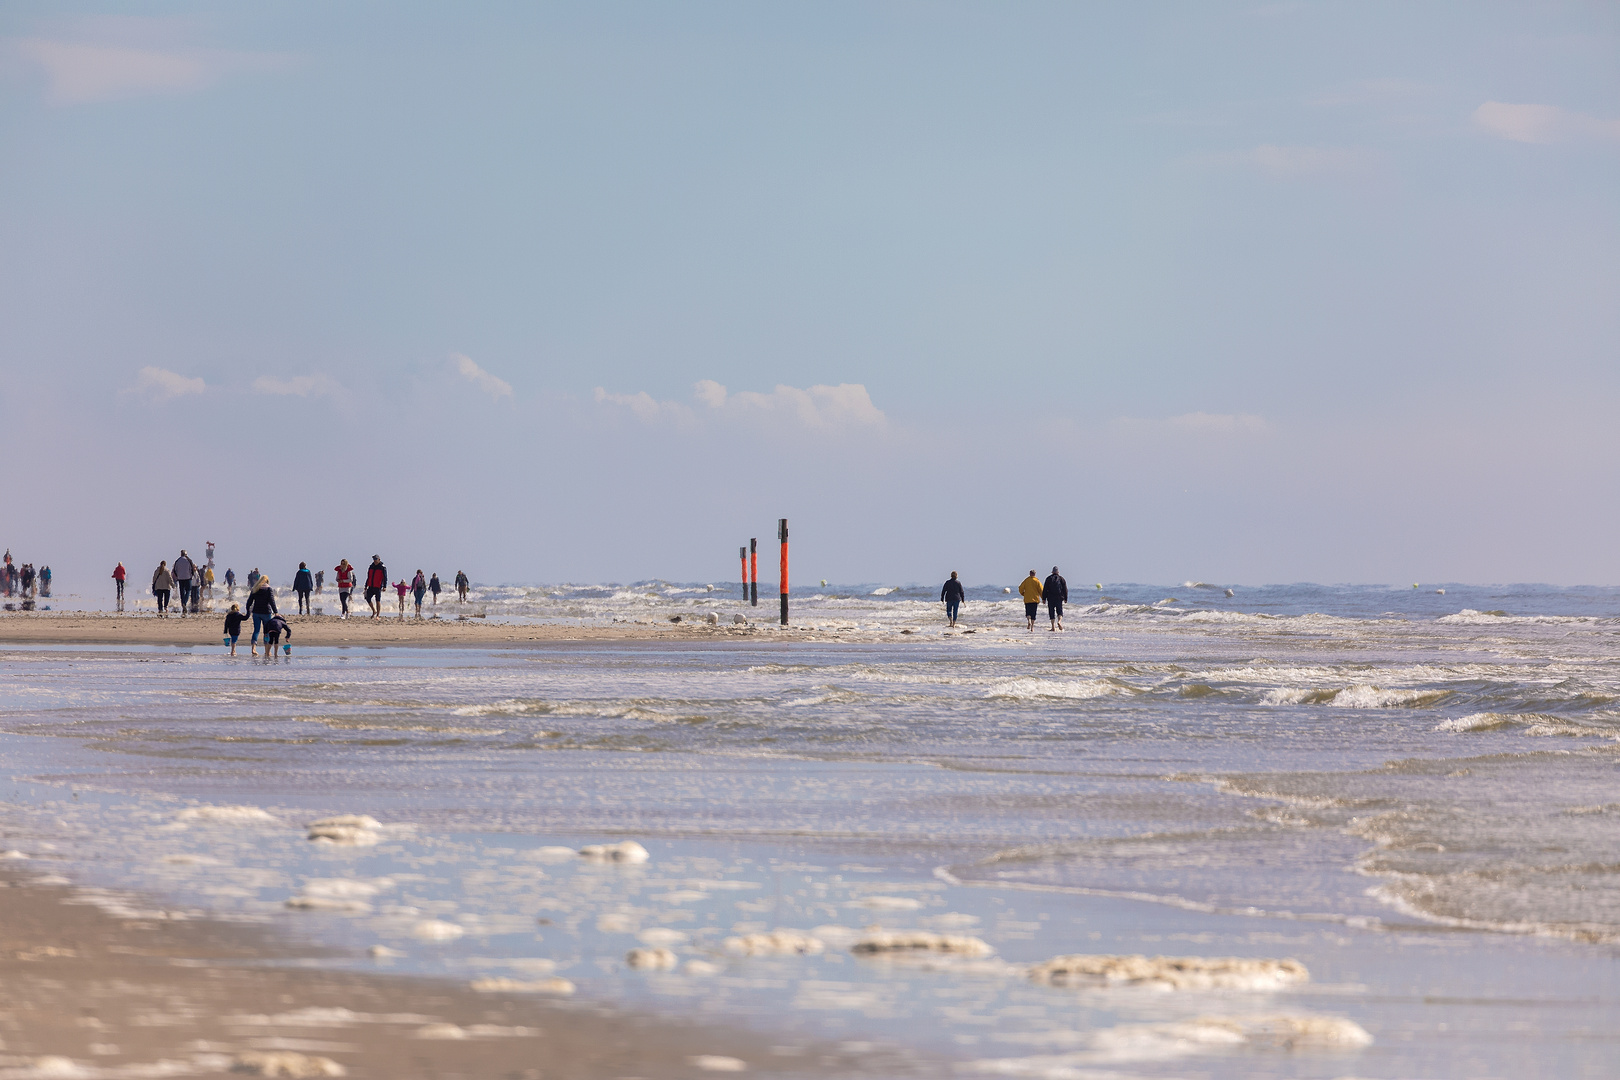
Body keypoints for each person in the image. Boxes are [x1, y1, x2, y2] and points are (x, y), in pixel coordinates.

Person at [245, 577, 278, 656]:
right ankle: (267, 651)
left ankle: (253, 648)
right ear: (267, 581)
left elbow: (249, 601)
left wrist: (248, 609)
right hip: (266, 612)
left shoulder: (255, 588)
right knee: (266, 631)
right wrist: (275, 612)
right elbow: (271, 601)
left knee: (256, 630)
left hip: (256, 612)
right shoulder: (268, 589)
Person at [1043, 566, 1069, 631]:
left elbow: (1045, 589)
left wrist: (1044, 598)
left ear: (1052, 572)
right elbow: (1065, 589)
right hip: (1059, 597)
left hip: (1050, 598)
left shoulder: (1048, 578)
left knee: (1051, 611)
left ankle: (1053, 627)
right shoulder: (1061, 579)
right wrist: (1065, 598)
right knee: (1059, 611)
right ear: (1058, 572)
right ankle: (1059, 621)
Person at [173, 550, 195, 616]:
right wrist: (191, 575)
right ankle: (184, 603)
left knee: (182, 592)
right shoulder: (188, 560)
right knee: (188, 591)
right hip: (188, 578)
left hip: (180, 578)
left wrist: (178, 576)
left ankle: (183, 603)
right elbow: (192, 569)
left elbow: (175, 570)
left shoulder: (177, 561)